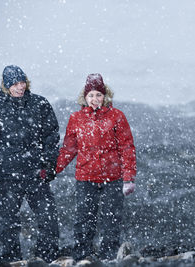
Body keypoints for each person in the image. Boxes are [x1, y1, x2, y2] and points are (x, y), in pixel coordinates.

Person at [0, 65, 60, 262]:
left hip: (36, 173)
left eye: (22, 82)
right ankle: (12, 260)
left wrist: (50, 163)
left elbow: (51, 136)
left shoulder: (40, 104)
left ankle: (46, 259)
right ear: (6, 85)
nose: (19, 87)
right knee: (10, 223)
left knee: (48, 219)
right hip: (8, 175)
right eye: (14, 84)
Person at [55, 73, 136, 261]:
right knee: (84, 219)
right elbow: (69, 148)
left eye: (98, 95)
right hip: (86, 177)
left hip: (112, 176)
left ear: (105, 96)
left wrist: (128, 177)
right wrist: (53, 170)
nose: (94, 99)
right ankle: (82, 257)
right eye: (90, 95)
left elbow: (127, 147)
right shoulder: (76, 118)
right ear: (84, 97)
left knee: (111, 220)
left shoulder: (116, 116)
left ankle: (108, 258)